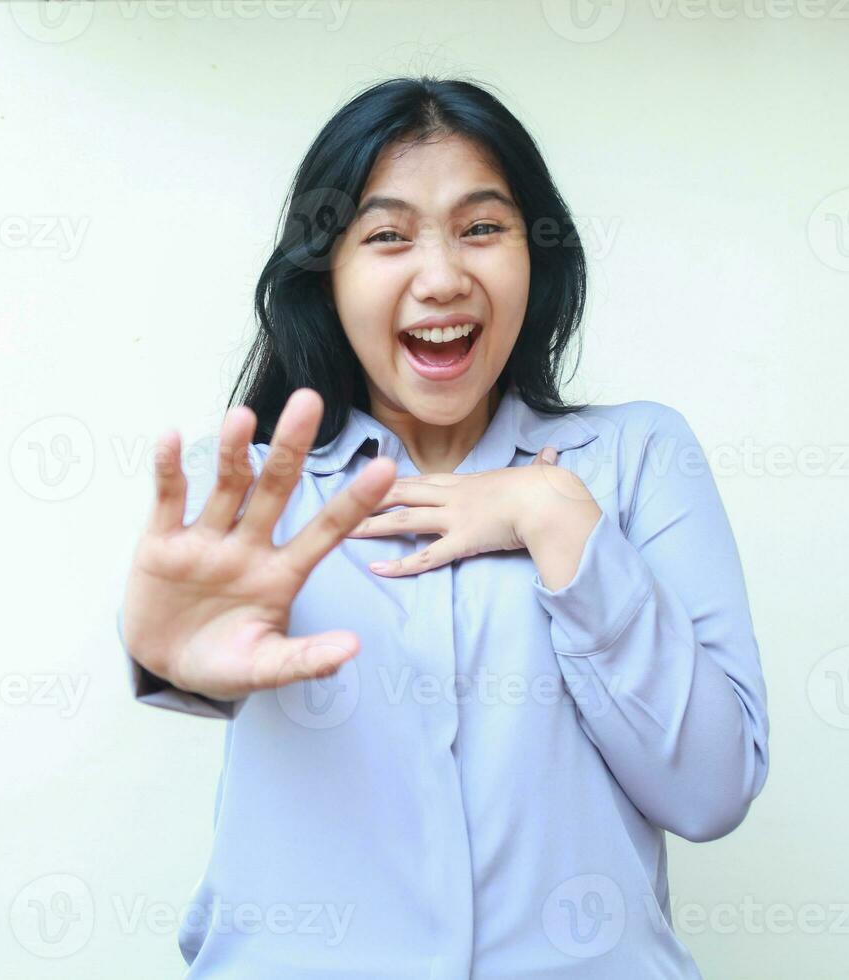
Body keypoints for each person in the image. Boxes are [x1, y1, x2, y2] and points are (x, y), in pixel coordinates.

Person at [119, 76, 770, 979]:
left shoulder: (641, 458)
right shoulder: (245, 491)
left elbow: (712, 790)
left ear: (536, 254)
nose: (441, 277)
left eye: (482, 228)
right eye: (386, 237)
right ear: (328, 276)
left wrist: (557, 522)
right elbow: (190, 646)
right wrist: (169, 659)